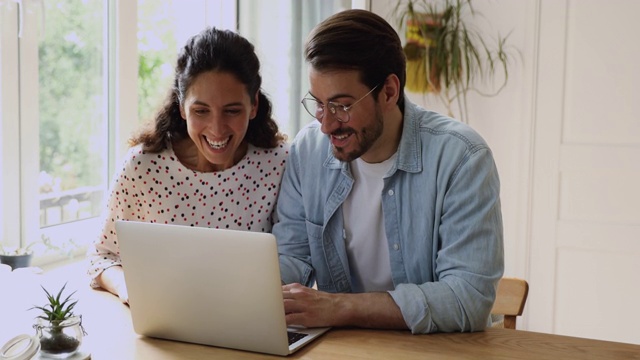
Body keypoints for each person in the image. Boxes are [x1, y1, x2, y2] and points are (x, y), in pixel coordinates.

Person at [274, 9, 504, 334]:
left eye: (341, 105)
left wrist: (339, 308)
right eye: (319, 103)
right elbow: (292, 257)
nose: (325, 124)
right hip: (341, 351)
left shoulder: (462, 158)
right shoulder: (307, 151)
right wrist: (243, 293)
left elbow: (468, 298)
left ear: (389, 92)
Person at [88, 27, 289, 303]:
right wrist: (129, 290)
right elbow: (101, 256)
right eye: (201, 111)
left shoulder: (279, 164)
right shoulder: (143, 168)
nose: (217, 129)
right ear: (182, 106)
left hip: (247, 330)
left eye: (232, 110)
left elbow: (295, 258)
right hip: (164, 330)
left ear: (253, 105)